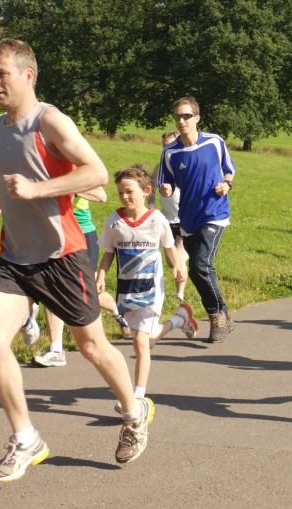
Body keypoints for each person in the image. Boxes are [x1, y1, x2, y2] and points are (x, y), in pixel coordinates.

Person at [0, 38, 154, 481]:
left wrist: (37, 191)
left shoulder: (50, 120)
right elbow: (18, 180)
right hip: (15, 256)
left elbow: (95, 173)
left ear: (28, 75)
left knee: (92, 346)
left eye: (2, 74)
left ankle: (134, 412)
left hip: (63, 255)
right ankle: (25, 439)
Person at [97, 165, 197, 410]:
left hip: (152, 288)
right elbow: (108, 253)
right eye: (120, 192)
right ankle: (179, 320)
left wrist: (177, 267)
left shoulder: (156, 220)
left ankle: (137, 397)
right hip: (127, 289)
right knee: (145, 341)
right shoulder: (114, 222)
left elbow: (169, 246)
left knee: (141, 342)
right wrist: (100, 275)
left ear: (145, 191)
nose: (124, 197)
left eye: (129, 191)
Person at [159, 96, 236, 343]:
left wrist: (226, 184)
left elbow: (229, 169)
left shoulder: (214, 142)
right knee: (196, 271)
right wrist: (165, 190)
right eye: (178, 117)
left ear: (196, 118)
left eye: (186, 116)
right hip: (188, 218)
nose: (181, 121)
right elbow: (165, 181)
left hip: (215, 213)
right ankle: (223, 311)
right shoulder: (170, 152)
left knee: (200, 265)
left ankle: (215, 316)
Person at [31, 192, 135, 368]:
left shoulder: (79, 166)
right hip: (53, 234)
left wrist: (71, 185)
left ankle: (118, 313)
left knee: (87, 292)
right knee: (53, 289)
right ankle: (56, 349)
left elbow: (101, 195)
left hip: (81, 234)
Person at [154, 131, 188, 300]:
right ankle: (187, 256)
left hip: (183, 217)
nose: (167, 148)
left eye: (171, 144)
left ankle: (180, 293)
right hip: (166, 219)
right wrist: (152, 206)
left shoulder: (183, 164)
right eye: (165, 145)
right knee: (171, 261)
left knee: (179, 255)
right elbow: (150, 187)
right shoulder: (159, 167)